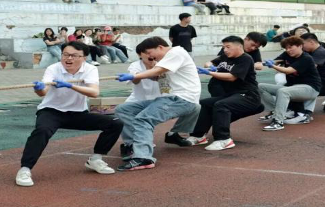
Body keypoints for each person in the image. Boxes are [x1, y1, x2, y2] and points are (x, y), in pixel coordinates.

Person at [15, 41, 123, 187]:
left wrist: (70, 85)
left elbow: (94, 92)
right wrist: (38, 88)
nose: (69, 58)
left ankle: (96, 159)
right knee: (42, 130)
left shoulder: (90, 69)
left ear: (84, 57)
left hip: (77, 113)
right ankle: (25, 169)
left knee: (115, 123)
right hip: (51, 111)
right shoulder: (53, 68)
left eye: (74, 55)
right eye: (65, 54)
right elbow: (43, 92)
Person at [113, 37, 202, 170]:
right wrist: (135, 76)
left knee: (143, 119)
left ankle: (144, 157)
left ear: (160, 47)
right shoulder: (165, 59)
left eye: (150, 52)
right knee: (123, 109)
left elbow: (158, 71)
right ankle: (133, 145)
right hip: (168, 98)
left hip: (181, 99)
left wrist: (134, 76)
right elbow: (157, 76)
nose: (150, 57)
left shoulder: (176, 52)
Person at [186, 36, 261, 150]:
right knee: (204, 104)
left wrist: (209, 73)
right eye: (223, 47)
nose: (225, 50)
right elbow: (211, 63)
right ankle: (198, 135)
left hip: (248, 96)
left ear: (239, 46)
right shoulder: (225, 57)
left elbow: (232, 77)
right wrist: (211, 67)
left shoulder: (245, 59)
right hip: (232, 94)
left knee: (221, 105)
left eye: (228, 47)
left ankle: (224, 139)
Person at [258, 36, 321, 130]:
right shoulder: (287, 54)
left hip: (310, 88)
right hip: (293, 87)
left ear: (300, 46)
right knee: (261, 86)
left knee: (283, 91)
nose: (288, 50)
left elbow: (288, 71)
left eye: (291, 47)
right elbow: (277, 61)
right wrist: (265, 63)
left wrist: (272, 66)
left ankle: (278, 122)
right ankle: (274, 112)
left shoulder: (306, 58)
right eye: (286, 48)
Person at [300, 33, 325, 115]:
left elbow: (311, 67)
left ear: (311, 42)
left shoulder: (319, 52)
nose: (301, 46)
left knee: (302, 88)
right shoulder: (313, 51)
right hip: (324, 81)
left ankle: (304, 112)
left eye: (303, 44)